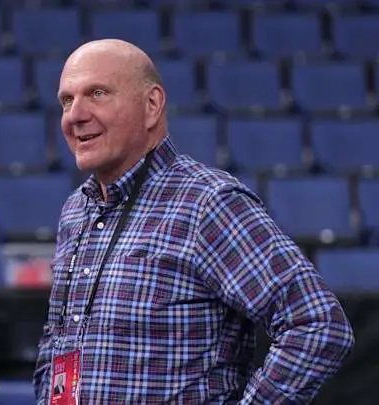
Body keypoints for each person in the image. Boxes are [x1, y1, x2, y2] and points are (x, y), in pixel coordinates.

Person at [33, 39, 354, 404]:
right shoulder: (77, 209)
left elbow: (318, 325)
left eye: (97, 94)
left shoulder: (208, 203)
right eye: (67, 100)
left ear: (152, 105)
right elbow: (59, 339)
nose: (75, 115)